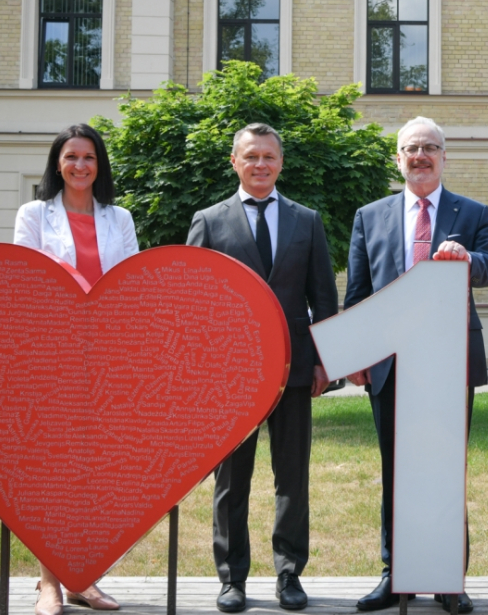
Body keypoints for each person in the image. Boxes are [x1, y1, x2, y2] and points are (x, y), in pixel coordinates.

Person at [344, 116, 488, 615]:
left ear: (444, 157)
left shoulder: (470, 211)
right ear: (398, 159)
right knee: (396, 470)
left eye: (430, 147)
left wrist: (468, 260)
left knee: (446, 470)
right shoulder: (371, 216)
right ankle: (396, 574)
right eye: (411, 148)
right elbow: (358, 293)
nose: (420, 155)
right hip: (390, 363)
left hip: (449, 359)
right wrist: (356, 352)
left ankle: (448, 578)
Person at [187, 123, 339, 614]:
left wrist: (323, 361)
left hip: (293, 370)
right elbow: (193, 304)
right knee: (232, 479)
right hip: (231, 377)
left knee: (292, 477)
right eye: (251, 156)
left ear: (280, 162)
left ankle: (289, 574)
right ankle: (232, 579)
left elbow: (323, 296)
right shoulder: (208, 221)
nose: (260, 165)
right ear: (235, 162)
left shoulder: (306, 220)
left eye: (269, 157)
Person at [13, 123, 138, 615]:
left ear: (99, 165)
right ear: (57, 163)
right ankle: (48, 582)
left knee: (95, 469)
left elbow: (130, 283)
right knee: (51, 467)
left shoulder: (119, 217)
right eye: (71, 157)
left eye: (89, 157)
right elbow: (24, 279)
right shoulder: (34, 214)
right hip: (50, 354)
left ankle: (84, 578)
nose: (81, 166)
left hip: (105, 355)